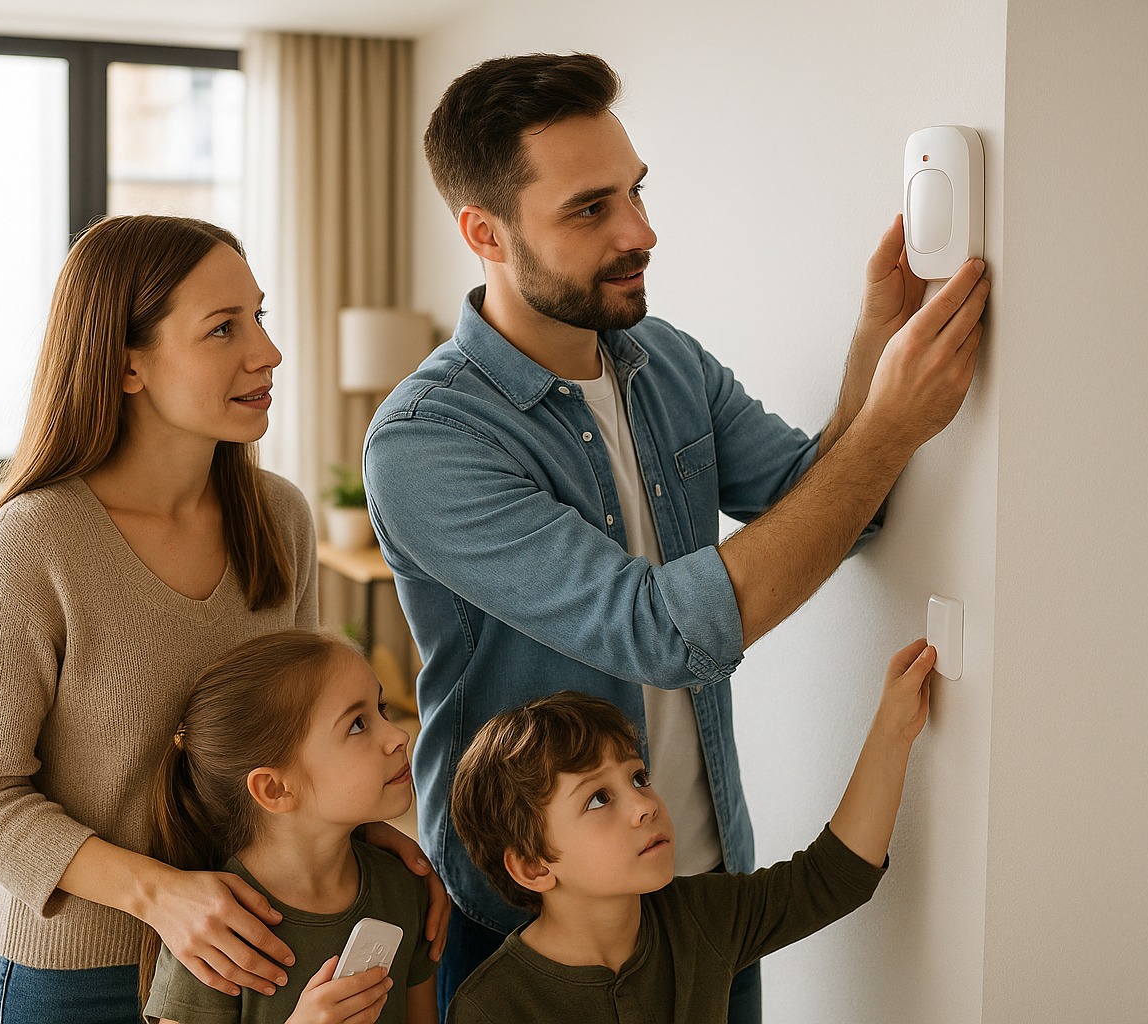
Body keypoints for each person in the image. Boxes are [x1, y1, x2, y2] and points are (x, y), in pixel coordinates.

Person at [362, 52, 989, 1020]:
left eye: (635, 191)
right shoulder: (425, 440)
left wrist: (874, 346)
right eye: (589, 209)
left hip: (699, 894)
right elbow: (660, 631)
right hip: (534, 921)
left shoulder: (666, 363)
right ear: (484, 232)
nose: (640, 233)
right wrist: (890, 426)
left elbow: (836, 505)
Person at [0, 215, 444, 1024]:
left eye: (259, 317)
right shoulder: (36, 542)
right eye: (223, 328)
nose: (268, 352)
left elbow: (294, 742)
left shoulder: (279, 519)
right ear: (127, 364)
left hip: (260, 953)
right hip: (80, 974)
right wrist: (160, 895)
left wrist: (356, 836)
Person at [444, 640, 936, 1024]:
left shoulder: (700, 918)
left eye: (639, 778)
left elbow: (832, 878)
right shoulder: (490, 1009)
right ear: (532, 866)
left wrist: (893, 729)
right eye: (599, 799)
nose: (644, 805)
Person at [143, 629, 440, 1024]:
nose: (399, 736)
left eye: (381, 709)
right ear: (275, 789)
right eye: (357, 724)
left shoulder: (405, 888)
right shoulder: (213, 929)